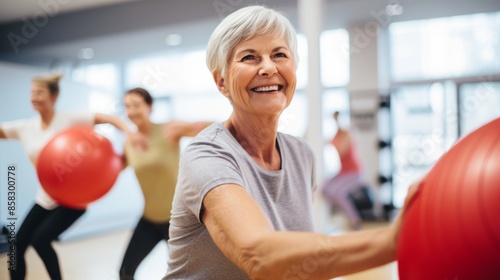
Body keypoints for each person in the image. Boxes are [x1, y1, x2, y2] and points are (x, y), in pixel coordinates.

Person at [164, 5, 420, 280]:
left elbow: (299, 264)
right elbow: (258, 255)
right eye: (249, 57)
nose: (268, 67)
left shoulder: (301, 154)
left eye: (279, 55)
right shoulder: (206, 156)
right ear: (222, 82)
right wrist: (393, 241)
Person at [0, 73, 140, 280]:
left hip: (73, 200)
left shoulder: (69, 119)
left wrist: (130, 133)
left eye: (39, 92)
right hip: (46, 197)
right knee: (17, 245)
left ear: (54, 96)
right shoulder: (25, 128)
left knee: (40, 240)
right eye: (32, 93)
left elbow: (108, 118)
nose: (34, 97)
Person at [119, 87, 212, 280]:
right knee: (125, 272)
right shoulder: (129, 143)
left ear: (149, 106)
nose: (131, 111)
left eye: (136, 105)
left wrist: (189, 125)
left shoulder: (168, 129)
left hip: (177, 220)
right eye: (127, 106)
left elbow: (212, 127)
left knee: (189, 275)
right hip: (149, 219)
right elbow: (111, 170)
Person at [322, 111, 367, 230]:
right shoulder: (336, 136)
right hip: (343, 172)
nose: (335, 121)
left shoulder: (346, 134)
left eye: (337, 119)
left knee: (337, 193)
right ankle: (339, 212)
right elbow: (325, 142)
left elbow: (341, 149)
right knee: (325, 187)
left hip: (355, 173)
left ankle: (355, 220)